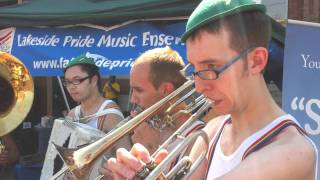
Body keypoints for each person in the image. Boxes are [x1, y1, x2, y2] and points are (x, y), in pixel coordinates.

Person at [104, 0, 318, 180]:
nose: (198, 85)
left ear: (256, 61)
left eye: (212, 68)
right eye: (195, 69)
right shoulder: (213, 130)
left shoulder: (294, 151)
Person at [99, 46, 206, 178]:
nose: (132, 99)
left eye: (138, 90)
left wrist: (151, 149)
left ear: (166, 89)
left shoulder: (199, 138)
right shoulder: (150, 129)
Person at [62, 54, 131, 179]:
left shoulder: (111, 115)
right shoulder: (72, 114)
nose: (71, 86)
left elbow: (127, 162)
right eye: (67, 82)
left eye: (77, 80)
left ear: (93, 80)